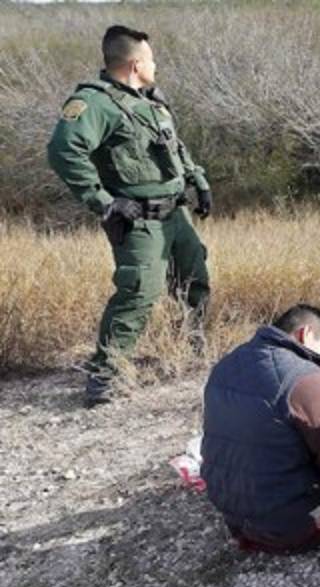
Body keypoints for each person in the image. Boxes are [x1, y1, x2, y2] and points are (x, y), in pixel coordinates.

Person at [47, 25, 213, 407]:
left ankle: (189, 347)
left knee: (195, 282)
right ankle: (105, 375)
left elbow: (174, 146)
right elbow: (63, 151)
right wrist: (104, 202)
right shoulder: (95, 103)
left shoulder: (150, 101)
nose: (156, 65)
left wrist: (198, 180)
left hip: (176, 214)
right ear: (136, 64)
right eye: (151, 59)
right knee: (138, 293)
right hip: (139, 220)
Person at [201, 305, 320, 553]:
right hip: (290, 528)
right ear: (305, 334)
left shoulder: (228, 363)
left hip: (234, 519)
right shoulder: (303, 378)